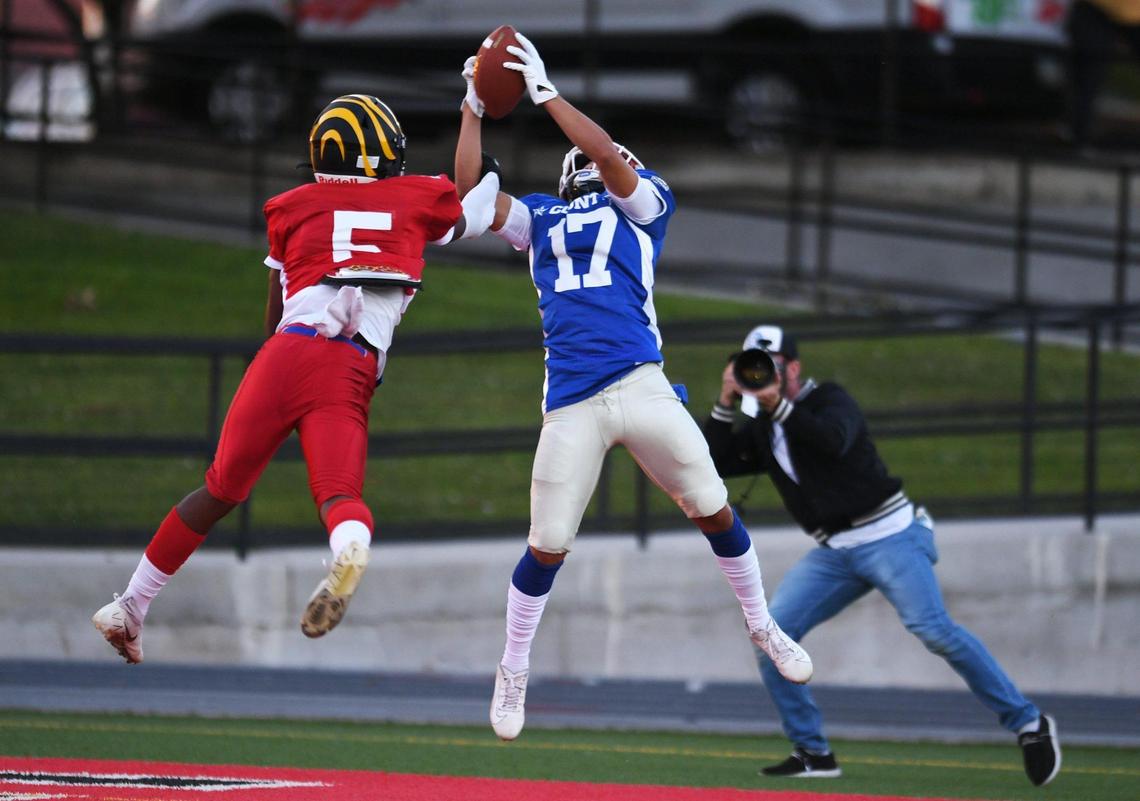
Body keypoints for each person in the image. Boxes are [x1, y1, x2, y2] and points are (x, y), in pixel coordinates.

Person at [452, 34, 813, 742]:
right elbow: (469, 195)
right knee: (548, 542)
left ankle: (762, 622)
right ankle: (512, 665)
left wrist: (548, 95)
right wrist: (471, 103)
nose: (607, 157)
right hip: (574, 402)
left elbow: (613, 158)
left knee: (711, 504)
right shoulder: (541, 218)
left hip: (641, 383)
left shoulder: (645, 209)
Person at [92, 94, 500, 663]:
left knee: (218, 489)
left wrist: (275, 377)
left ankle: (130, 606)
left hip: (284, 351)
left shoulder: (290, 207)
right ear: (385, 156)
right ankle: (350, 546)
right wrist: (480, 138)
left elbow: (274, 310)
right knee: (338, 495)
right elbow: (472, 209)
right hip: (346, 360)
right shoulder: (415, 197)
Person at [701, 324, 1062, 787]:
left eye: (769, 365)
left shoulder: (829, 399)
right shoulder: (765, 424)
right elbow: (711, 460)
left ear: (793, 367)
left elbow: (833, 440)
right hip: (834, 551)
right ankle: (813, 751)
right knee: (774, 638)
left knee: (933, 630)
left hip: (890, 534)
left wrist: (778, 405)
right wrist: (727, 400)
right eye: (751, 365)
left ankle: (1029, 725)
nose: (761, 374)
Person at [1065, 0, 1140, 148]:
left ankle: (1079, 137)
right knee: (1088, 73)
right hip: (1095, 8)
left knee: (1088, 71)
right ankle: (1078, 138)